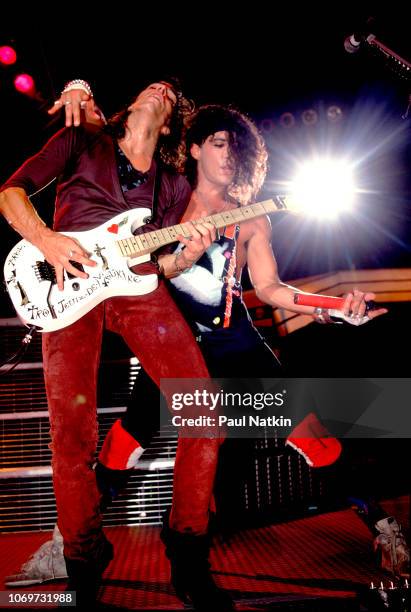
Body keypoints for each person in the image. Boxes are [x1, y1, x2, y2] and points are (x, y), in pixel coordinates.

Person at [0, 78, 233, 608]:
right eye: (152, 84)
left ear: (170, 120)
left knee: (204, 413)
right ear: (130, 105)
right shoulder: (83, 140)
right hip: (64, 281)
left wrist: (190, 253)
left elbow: (169, 264)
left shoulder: (172, 186)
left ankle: (188, 548)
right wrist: (48, 239)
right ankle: (84, 559)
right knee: (71, 435)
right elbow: (10, 191)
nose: (159, 88)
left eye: (170, 91)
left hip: (136, 286)